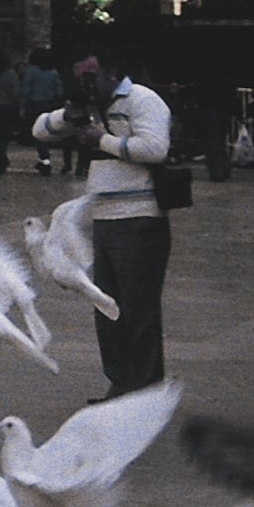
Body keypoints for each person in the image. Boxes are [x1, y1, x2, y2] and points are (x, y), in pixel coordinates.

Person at [35, 52, 175, 400]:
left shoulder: (142, 100)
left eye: (90, 77)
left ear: (113, 74)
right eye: (79, 77)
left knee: (138, 309)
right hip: (103, 219)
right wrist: (69, 115)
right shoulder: (89, 106)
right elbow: (39, 129)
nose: (85, 84)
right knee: (106, 305)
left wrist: (102, 140)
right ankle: (121, 381)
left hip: (140, 217)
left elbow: (155, 148)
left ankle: (144, 388)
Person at [19, 53, 66, 176]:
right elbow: (59, 90)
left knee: (38, 132)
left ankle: (45, 158)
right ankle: (45, 157)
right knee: (47, 129)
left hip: (35, 104)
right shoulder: (53, 72)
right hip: (49, 104)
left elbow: (26, 89)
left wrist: (24, 104)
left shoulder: (31, 71)